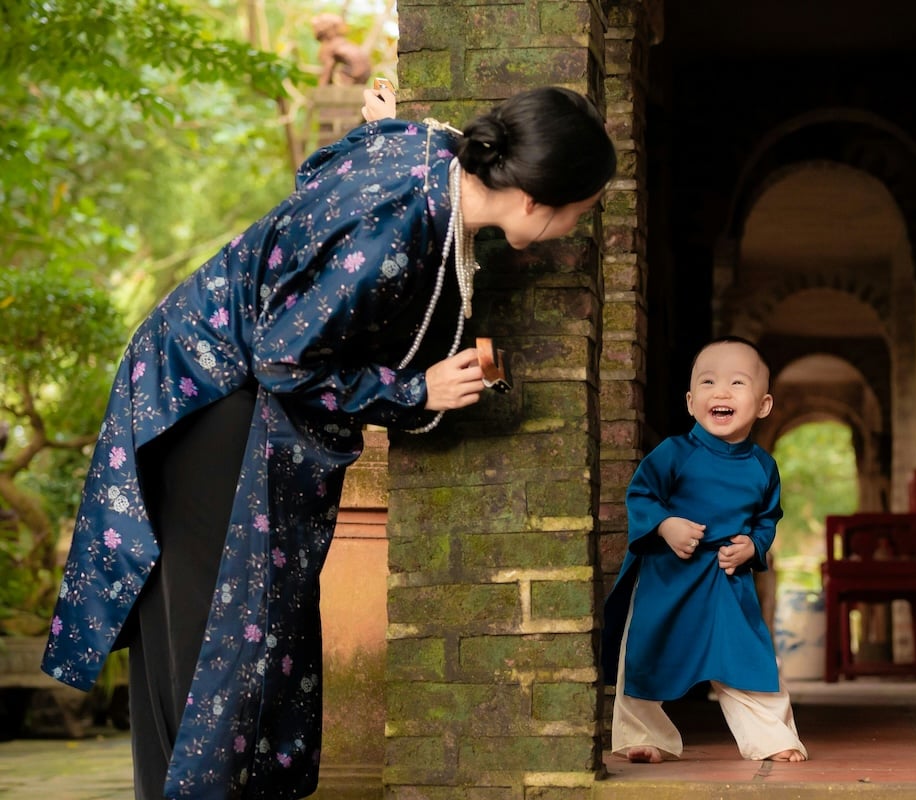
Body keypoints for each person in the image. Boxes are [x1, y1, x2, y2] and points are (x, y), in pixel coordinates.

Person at [41, 83, 616, 800]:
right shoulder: (403, 222)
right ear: (535, 201)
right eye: (582, 214)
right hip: (211, 395)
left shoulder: (432, 154)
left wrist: (386, 124)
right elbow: (282, 357)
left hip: (216, 382)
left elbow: (321, 170)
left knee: (247, 638)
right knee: (217, 642)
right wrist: (417, 391)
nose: (576, 230)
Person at [601, 337, 808, 764]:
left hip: (726, 577)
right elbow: (641, 496)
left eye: (737, 382)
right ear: (692, 401)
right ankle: (642, 734)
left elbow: (768, 520)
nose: (722, 391)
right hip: (667, 575)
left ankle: (771, 737)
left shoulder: (763, 467)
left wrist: (752, 546)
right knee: (647, 650)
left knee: (747, 655)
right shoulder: (674, 453)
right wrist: (666, 524)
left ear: (763, 405)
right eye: (709, 382)